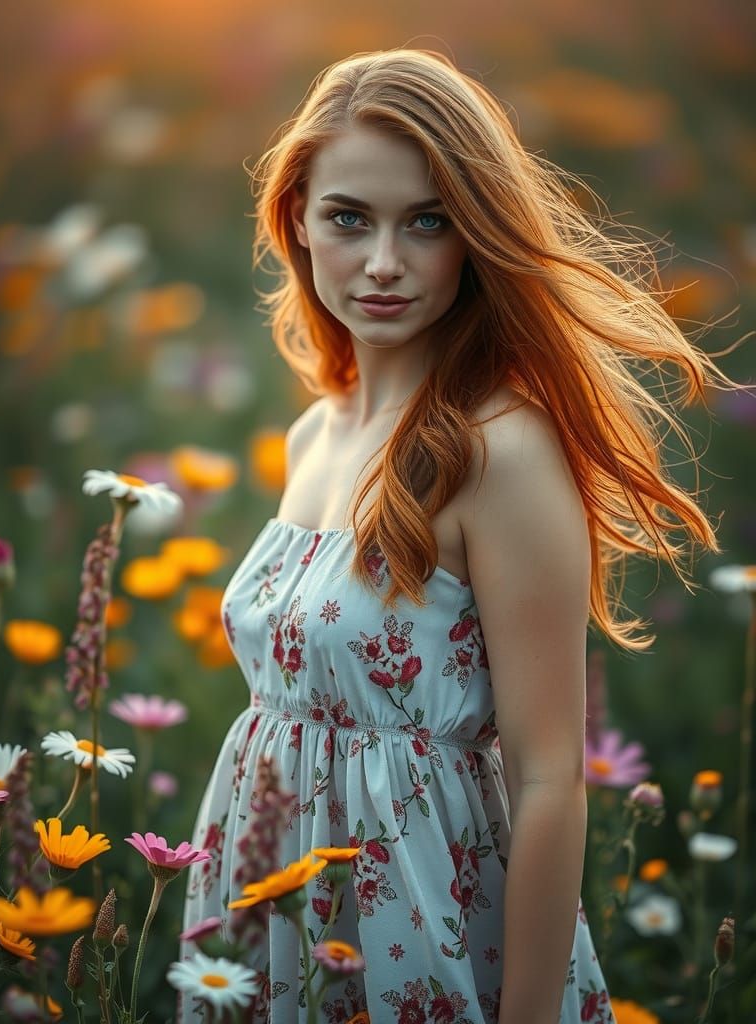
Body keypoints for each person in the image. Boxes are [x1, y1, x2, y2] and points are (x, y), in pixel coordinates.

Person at [179, 48, 743, 1023]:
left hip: (425, 927)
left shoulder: (502, 453)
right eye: (350, 217)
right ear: (297, 219)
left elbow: (549, 777)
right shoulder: (317, 431)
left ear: (475, 237)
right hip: (273, 922)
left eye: (428, 222)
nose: (385, 261)